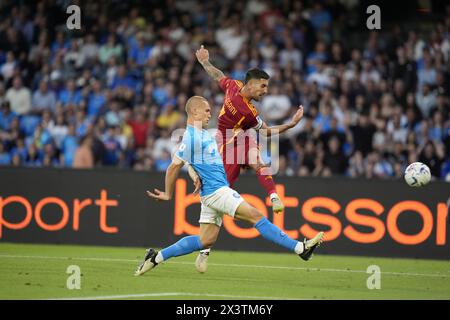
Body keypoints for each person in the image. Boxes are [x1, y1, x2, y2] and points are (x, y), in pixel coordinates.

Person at [135, 96, 324, 276]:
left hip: (210, 194)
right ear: (194, 111)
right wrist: (169, 194)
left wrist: (196, 174)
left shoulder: (202, 134)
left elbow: (190, 163)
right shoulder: (191, 137)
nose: (210, 114)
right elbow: (174, 165)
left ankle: (155, 257)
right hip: (217, 192)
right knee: (256, 216)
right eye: (207, 111)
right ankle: (301, 248)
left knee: (205, 240)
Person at [194, 45, 304, 272]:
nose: (265, 91)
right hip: (225, 148)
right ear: (251, 84)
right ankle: (205, 248)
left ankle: (273, 197)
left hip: (241, 140)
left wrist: (206, 63)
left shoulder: (238, 92)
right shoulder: (246, 108)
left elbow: (219, 77)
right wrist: (291, 125)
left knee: (258, 161)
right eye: (263, 86)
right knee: (222, 196)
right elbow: (267, 131)